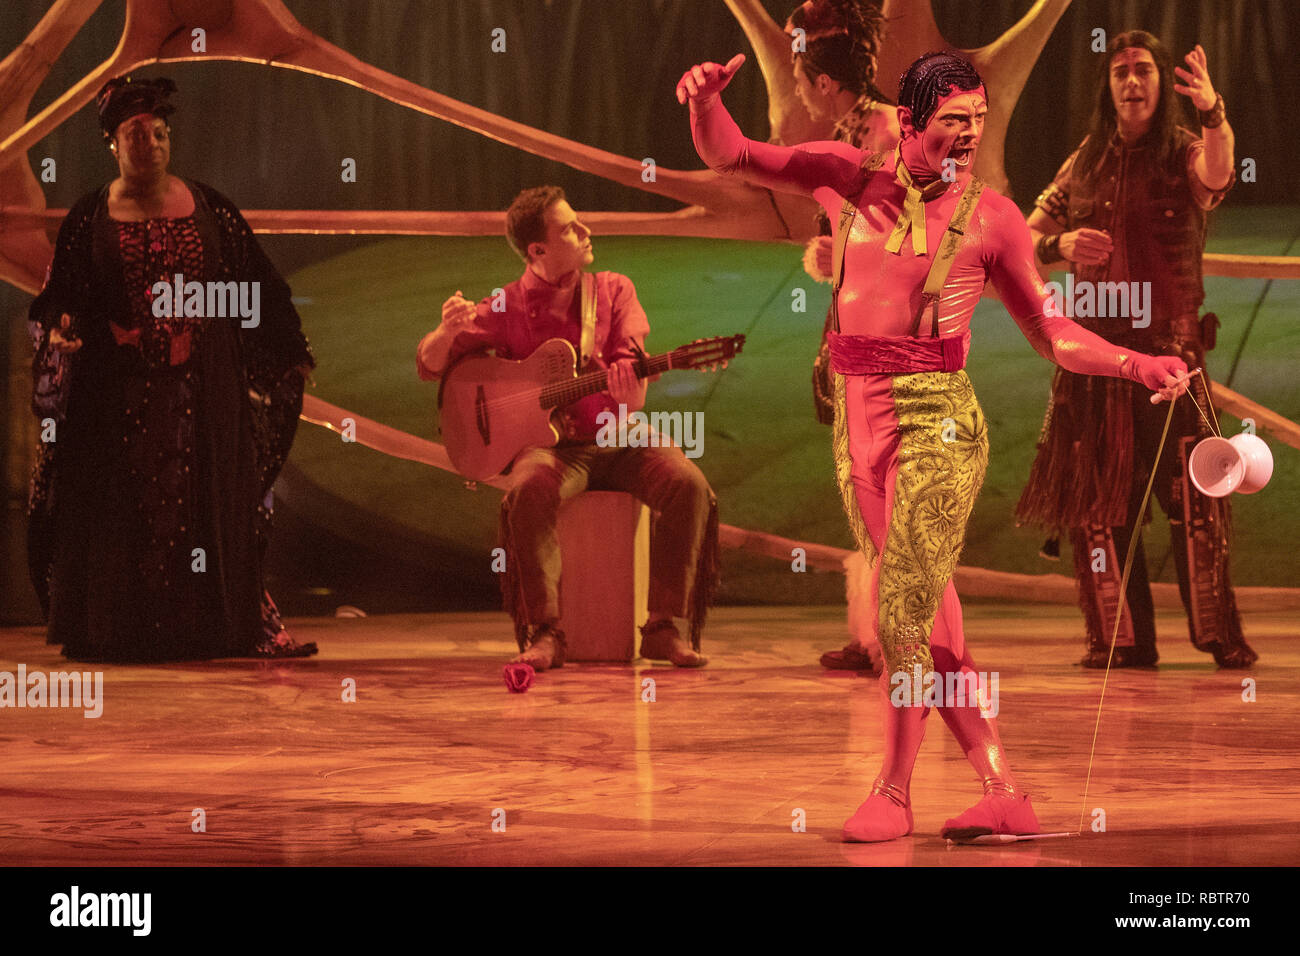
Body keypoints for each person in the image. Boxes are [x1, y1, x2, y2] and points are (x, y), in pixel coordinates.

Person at [677, 51, 1191, 841]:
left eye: (978, 123)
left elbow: (1050, 332)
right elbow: (735, 156)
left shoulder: (994, 219)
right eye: (955, 121)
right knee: (934, 623)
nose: (970, 136)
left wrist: (1135, 362)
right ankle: (1002, 787)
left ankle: (892, 791)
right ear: (910, 123)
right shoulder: (846, 178)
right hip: (859, 428)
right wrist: (704, 104)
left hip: (938, 425)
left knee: (902, 609)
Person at [27, 75, 316, 661]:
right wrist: (70, 329)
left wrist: (284, 349)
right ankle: (121, 633)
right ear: (113, 143)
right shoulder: (90, 216)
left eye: (159, 133)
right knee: (124, 509)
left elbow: (254, 283)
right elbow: (62, 296)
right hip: (117, 395)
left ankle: (210, 629)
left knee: (204, 503)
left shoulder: (209, 207)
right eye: (137, 134)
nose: (150, 144)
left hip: (203, 389)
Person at [1018, 31, 1255, 670]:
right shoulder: (1084, 160)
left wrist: (1214, 112)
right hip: (1096, 360)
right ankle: (1121, 643)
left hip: (1173, 360)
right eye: (1121, 70)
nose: (1132, 81)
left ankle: (1219, 636)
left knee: (1196, 503)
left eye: (1143, 70)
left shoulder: (1186, 150)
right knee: (1100, 509)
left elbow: (1219, 171)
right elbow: (1020, 239)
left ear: (1159, 83)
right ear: (1109, 85)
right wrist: (1059, 247)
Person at [416, 186, 718, 670]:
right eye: (570, 228)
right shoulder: (506, 303)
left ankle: (664, 626)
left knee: (688, 483)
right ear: (537, 250)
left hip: (619, 438)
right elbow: (431, 364)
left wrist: (626, 387)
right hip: (554, 450)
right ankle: (544, 632)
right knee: (527, 488)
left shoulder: (614, 289)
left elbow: (633, 391)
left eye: (580, 222)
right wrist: (445, 333)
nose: (585, 231)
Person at [783, 0, 899, 674]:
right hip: (853, 328)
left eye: (803, 81)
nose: (801, 92)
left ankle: (900, 636)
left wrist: (846, 252)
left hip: (889, 333)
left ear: (826, 82)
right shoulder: (856, 132)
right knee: (862, 482)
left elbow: (899, 230)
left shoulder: (884, 130)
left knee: (886, 482)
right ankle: (871, 633)